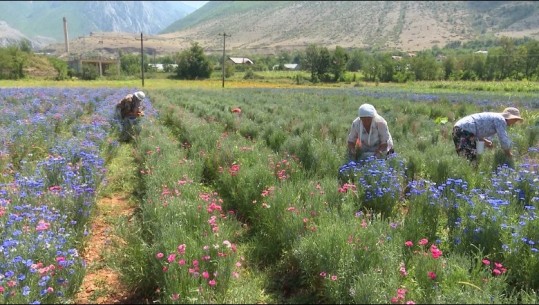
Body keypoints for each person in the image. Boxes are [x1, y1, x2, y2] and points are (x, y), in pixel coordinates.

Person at [452, 107, 523, 162]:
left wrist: (485, 141)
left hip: (459, 129)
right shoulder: (501, 120)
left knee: (465, 158)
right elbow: (503, 139)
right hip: (464, 131)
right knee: (471, 160)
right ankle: (470, 178)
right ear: (510, 117)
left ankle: (466, 177)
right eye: (515, 119)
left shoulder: (496, 117)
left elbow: (477, 128)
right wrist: (508, 154)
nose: (515, 122)